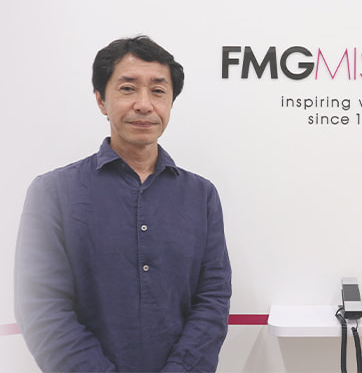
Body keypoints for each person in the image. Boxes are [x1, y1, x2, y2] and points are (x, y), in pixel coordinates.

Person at [14, 35, 232, 372]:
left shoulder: (201, 195)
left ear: (171, 102)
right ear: (101, 100)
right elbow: (41, 307)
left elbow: (212, 301)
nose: (144, 104)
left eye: (158, 91)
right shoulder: (52, 193)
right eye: (128, 89)